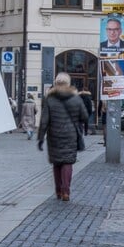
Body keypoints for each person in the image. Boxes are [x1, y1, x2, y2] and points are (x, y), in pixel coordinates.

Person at [37, 72, 89, 202]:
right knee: (67, 161)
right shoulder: (76, 98)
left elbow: (44, 120)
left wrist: (40, 138)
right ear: (68, 83)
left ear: (56, 83)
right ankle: (66, 191)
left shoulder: (50, 98)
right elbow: (84, 116)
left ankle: (58, 191)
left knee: (57, 162)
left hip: (54, 134)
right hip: (71, 135)